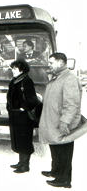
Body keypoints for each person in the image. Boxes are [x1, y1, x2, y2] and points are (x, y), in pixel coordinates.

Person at [39, 53, 82, 188]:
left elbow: (72, 103)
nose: (49, 65)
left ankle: (64, 180)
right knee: (55, 147)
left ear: (61, 62)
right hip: (53, 121)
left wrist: (65, 122)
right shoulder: (56, 78)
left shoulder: (69, 78)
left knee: (64, 151)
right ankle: (56, 171)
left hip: (62, 122)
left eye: (51, 63)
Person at [6, 59, 40, 173]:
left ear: (22, 69)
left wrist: (23, 108)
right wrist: (9, 107)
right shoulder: (15, 80)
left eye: (15, 69)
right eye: (12, 68)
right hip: (15, 114)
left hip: (23, 116)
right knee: (18, 139)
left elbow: (32, 99)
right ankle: (21, 162)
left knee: (24, 140)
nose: (12, 71)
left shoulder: (26, 81)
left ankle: (25, 166)